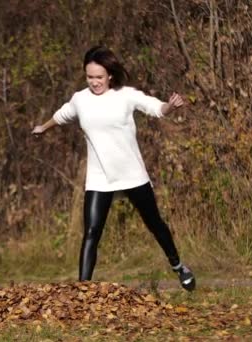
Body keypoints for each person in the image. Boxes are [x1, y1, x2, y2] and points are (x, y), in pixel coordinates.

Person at [31, 46, 195, 291]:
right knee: (91, 232)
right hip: (100, 179)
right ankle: (82, 291)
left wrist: (169, 106)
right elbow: (62, 115)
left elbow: (155, 108)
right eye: (90, 77)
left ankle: (179, 266)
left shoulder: (125, 95)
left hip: (132, 175)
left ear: (110, 75)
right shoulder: (80, 100)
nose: (94, 82)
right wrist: (43, 128)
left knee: (155, 224)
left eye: (99, 77)